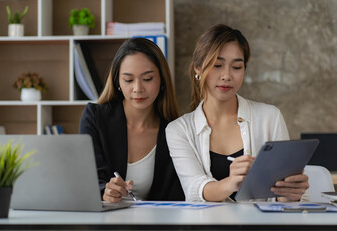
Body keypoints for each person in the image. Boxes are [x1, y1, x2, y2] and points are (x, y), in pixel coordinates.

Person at [165, 24, 309, 202]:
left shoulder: (270, 117)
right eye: (217, 65)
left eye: (236, 67)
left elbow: (280, 199)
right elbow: (194, 190)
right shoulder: (179, 130)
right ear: (198, 69)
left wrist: (290, 194)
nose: (226, 75)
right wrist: (231, 182)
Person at [79, 38, 184, 202]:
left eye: (147, 79)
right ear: (118, 82)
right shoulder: (95, 117)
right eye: (128, 80)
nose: (138, 89)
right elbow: (89, 180)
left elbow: (176, 197)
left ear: (162, 80)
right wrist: (105, 192)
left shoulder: (176, 131)